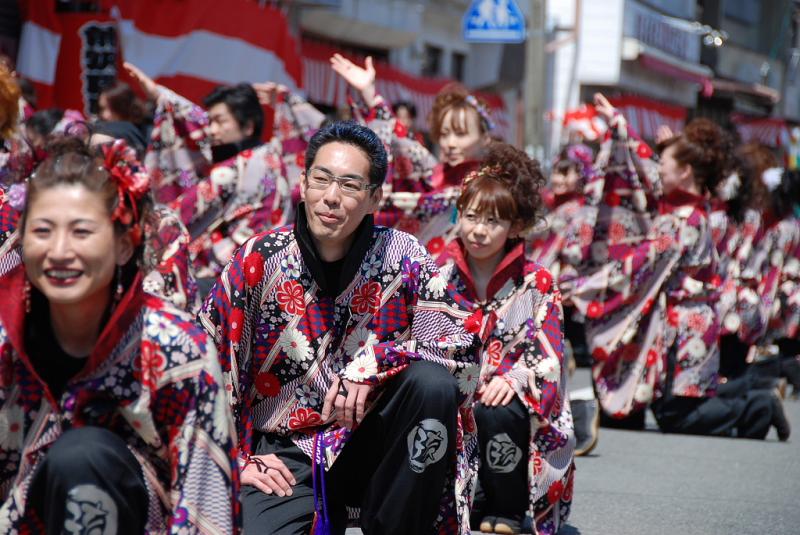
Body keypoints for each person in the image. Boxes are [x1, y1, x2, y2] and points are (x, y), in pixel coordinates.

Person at [200, 121, 481, 534]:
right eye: (322, 179)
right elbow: (204, 356)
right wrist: (235, 457)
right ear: (303, 182)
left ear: (374, 199)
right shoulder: (260, 259)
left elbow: (463, 350)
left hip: (378, 447)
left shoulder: (402, 256)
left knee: (432, 385)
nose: (331, 198)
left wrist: (377, 363)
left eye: (350, 186)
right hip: (286, 451)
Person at [0, 138, 238, 532]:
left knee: (82, 459)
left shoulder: (177, 349)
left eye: (81, 231)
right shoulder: (6, 338)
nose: (58, 251)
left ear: (125, 246)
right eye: (42, 230)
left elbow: (203, 500)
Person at [562, 98, 789, 440]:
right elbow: (646, 169)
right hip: (685, 318)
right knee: (674, 405)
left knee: (679, 414)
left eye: (665, 162)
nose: (658, 169)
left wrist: (581, 289)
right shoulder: (691, 206)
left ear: (685, 172)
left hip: (687, 322)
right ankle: (754, 394)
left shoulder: (682, 221)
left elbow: (637, 267)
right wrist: (620, 124)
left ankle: (756, 406)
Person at [437, 143, 574, 535]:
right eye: (471, 216)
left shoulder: (538, 281)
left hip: (511, 401)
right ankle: (470, 497)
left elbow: (549, 352)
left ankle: (509, 505)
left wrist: (512, 378)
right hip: (457, 390)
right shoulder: (440, 277)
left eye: (493, 221)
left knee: (497, 407)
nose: (479, 229)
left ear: (515, 227)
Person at [127, 63, 322, 286]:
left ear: (248, 126)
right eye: (210, 122)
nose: (211, 130)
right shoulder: (278, 156)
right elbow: (320, 133)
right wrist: (288, 101)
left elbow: (180, 213)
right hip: (277, 272)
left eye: (219, 121)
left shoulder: (229, 170)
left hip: (223, 275)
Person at [330, 55, 492, 256]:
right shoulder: (432, 173)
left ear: (485, 137)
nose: (450, 143)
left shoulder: (493, 186)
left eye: (460, 134)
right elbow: (399, 136)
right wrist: (369, 92)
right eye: (444, 134)